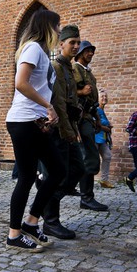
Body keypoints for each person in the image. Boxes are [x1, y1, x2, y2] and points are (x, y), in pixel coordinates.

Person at [5, 9, 65, 251]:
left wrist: (49, 111)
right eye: (58, 26)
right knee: (28, 176)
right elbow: (20, 83)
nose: (60, 31)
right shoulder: (32, 48)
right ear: (47, 26)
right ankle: (14, 234)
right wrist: (48, 105)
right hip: (23, 121)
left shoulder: (40, 51)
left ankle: (31, 222)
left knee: (58, 171)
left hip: (35, 121)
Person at [40, 24, 88, 240]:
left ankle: (47, 199)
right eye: (72, 43)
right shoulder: (56, 67)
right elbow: (58, 102)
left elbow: (70, 100)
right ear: (61, 45)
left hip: (69, 126)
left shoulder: (69, 67)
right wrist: (68, 130)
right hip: (59, 128)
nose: (76, 46)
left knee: (78, 168)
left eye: (78, 42)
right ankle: (51, 221)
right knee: (58, 174)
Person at [73, 40, 108, 211]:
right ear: (79, 53)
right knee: (88, 156)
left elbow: (92, 100)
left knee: (88, 156)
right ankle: (86, 197)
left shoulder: (89, 73)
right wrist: (81, 92)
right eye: (88, 51)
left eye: (92, 51)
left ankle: (86, 196)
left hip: (88, 116)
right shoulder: (75, 70)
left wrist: (98, 119)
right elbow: (68, 92)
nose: (91, 53)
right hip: (78, 118)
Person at [95, 90, 114, 188]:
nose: (104, 98)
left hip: (102, 139)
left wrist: (109, 125)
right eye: (102, 96)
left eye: (106, 96)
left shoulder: (102, 110)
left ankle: (104, 180)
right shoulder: (96, 109)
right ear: (97, 98)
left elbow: (103, 122)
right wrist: (105, 128)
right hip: (95, 138)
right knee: (92, 161)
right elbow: (94, 123)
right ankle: (83, 181)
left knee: (107, 156)